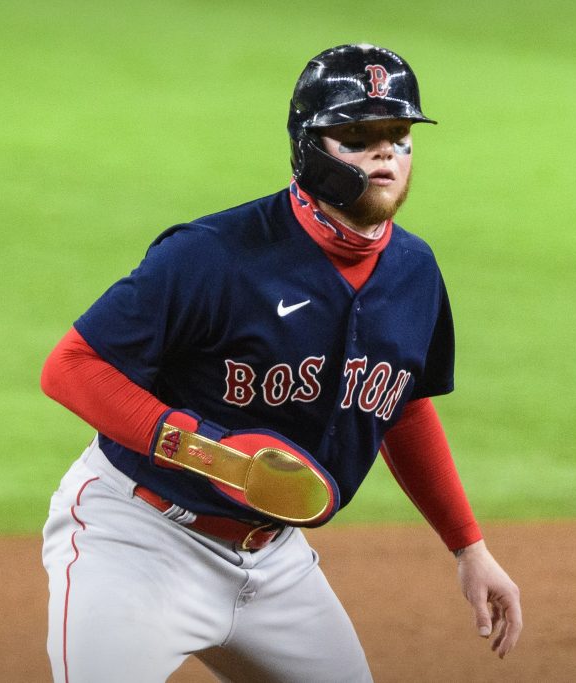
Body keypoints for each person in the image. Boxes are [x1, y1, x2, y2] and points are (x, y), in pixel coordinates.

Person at [40, 43, 522, 682]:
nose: (385, 151)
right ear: (308, 148)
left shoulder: (415, 272)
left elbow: (398, 406)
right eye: (357, 134)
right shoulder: (214, 255)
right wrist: (201, 450)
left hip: (274, 563)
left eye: (398, 135)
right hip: (140, 537)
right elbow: (71, 365)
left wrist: (469, 546)